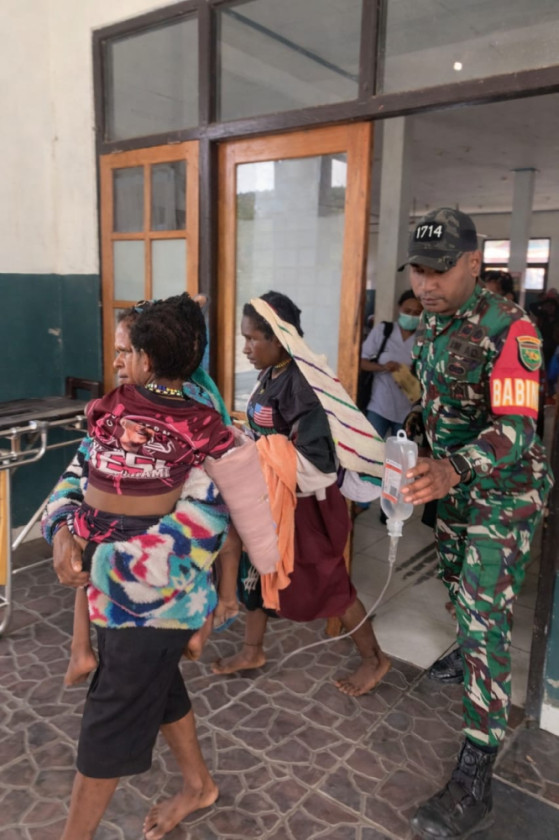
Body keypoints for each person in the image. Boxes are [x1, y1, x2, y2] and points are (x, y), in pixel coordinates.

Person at [41, 294, 276, 840]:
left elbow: (223, 512)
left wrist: (124, 568)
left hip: (149, 590)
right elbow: (81, 471)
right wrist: (62, 530)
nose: (119, 362)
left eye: (127, 351)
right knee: (158, 685)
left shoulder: (202, 425)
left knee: (109, 718)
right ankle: (198, 785)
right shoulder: (114, 408)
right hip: (115, 576)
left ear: (151, 356)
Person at [397, 207, 552, 840]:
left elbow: (517, 427)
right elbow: (440, 402)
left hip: (504, 490)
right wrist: (415, 434)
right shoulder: (430, 325)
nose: (427, 283)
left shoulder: (510, 327)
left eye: (440, 270)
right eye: (418, 270)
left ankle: (477, 773)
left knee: (487, 613)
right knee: (458, 580)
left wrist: (455, 467)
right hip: (455, 480)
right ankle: (468, 643)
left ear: (472, 264)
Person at [212, 290, 391, 697]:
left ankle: (373, 658)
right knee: (257, 571)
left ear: (280, 338)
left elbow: (317, 465)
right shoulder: (272, 375)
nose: (246, 348)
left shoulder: (304, 385)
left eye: (253, 339)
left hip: (306, 506)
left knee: (329, 581)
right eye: (244, 338)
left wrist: (258, 451)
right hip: (272, 500)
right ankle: (252, 650)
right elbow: (269, 436)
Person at [360, 289, 423, 438]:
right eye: (408, 311)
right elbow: (361, 362)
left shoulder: (423, 339)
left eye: (417, 312)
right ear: (399, 308)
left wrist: (411, 374)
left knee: (400, 456)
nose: (412, 316)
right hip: (379, 405)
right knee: (371, 448)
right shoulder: (384, 331)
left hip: (407, 409)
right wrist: (383, 367)